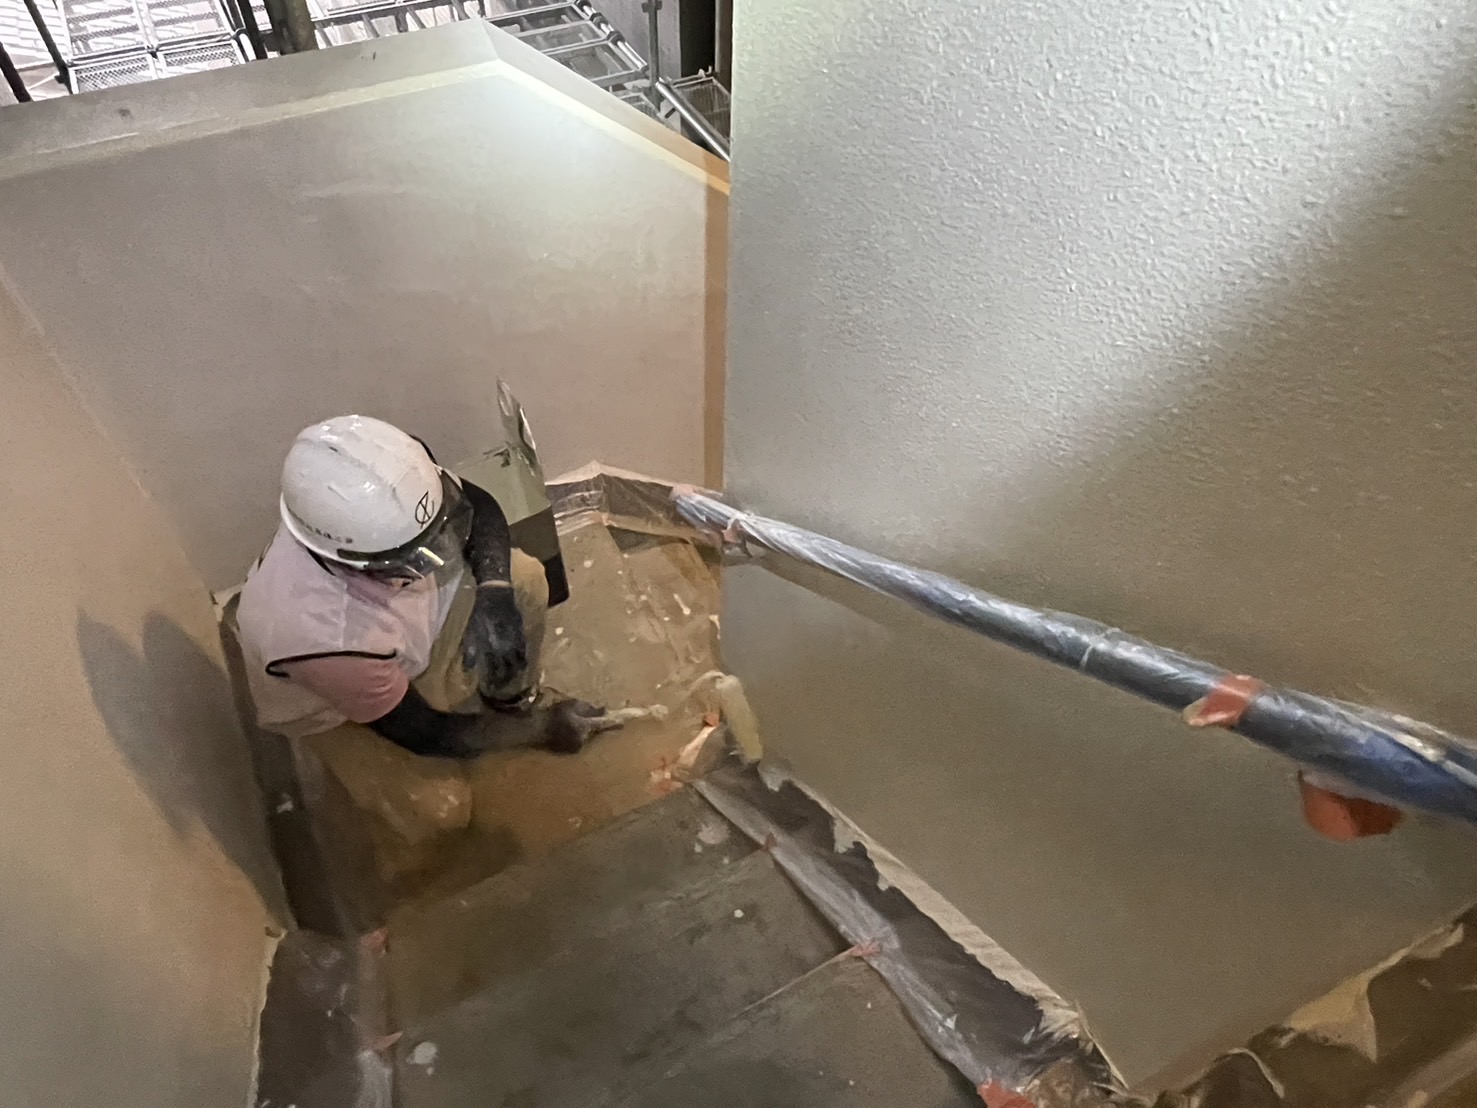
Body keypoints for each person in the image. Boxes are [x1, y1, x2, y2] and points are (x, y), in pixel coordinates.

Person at [236, 414, 615, 760]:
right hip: (339, 706)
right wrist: (544, 729)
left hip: (399, 635)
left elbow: (479, 506)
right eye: (417, 556)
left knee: (524, 578)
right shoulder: (324, 640)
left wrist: (495, 590)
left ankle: (510, 700)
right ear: (353, 560)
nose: (440, 553)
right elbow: (425, 733)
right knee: (441, 803)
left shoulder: (393, 484)